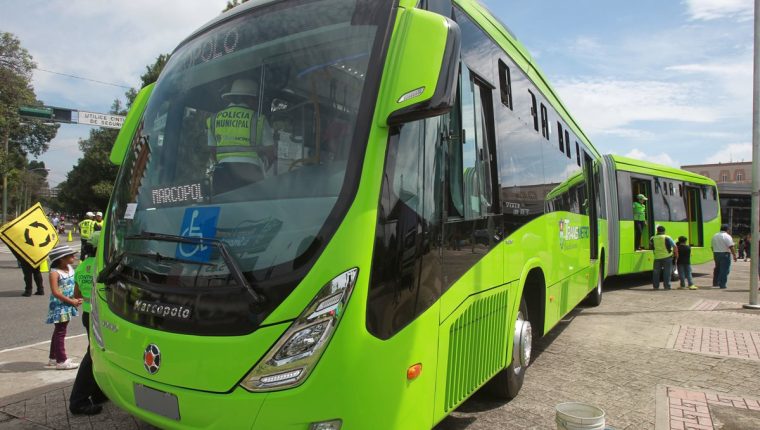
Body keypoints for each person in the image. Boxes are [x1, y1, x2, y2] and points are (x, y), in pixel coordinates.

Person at [208, 78, 275, 193]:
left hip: (222, 174)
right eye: (255, 100)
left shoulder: (214, 119)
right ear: (250, 99)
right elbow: (270, 153)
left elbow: (213, 150)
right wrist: (264, 167)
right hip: (250, 172)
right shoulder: (258, 119)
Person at [69, 231, 106, 415]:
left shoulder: (82, 266)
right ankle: (78, 400)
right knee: (92, 355)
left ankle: (99, 393)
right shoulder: (103, 266)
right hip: (98, 316)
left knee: (96, 352)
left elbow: (77, 294)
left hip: (87, 314)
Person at [46, 245, 82, 370]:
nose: (74, 257)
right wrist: (71, 301)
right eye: (71, 255)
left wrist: (76, 297)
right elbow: (56, 292)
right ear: (62, 258)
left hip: (68, 303)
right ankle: (61, 361)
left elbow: (74, 285)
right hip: (60, 305)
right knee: (60, 331)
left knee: (59, 330)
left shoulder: (70, 268)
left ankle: (53, 357)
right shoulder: (55, 273)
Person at [651, 225, 678, 290]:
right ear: (664, 231)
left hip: (657, 257)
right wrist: (675, 255)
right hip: (667, 257)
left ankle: (655, 286)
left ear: (657, 231)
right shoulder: (667, 237)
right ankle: (667, 286)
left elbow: (651, 246)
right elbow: (674, 246)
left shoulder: (652, 238)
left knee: (656, 273)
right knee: (667, 272)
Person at [711, 224, 737, 289]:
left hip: (716, 253)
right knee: (724, 270)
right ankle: (722, 284)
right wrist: (734, 255)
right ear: (727, 229)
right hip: (724, 254)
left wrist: (715, 252)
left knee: (717, 268)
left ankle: (715, 282)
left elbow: (712, 247)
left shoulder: (715, 236)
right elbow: (731, 247)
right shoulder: (727, 236)